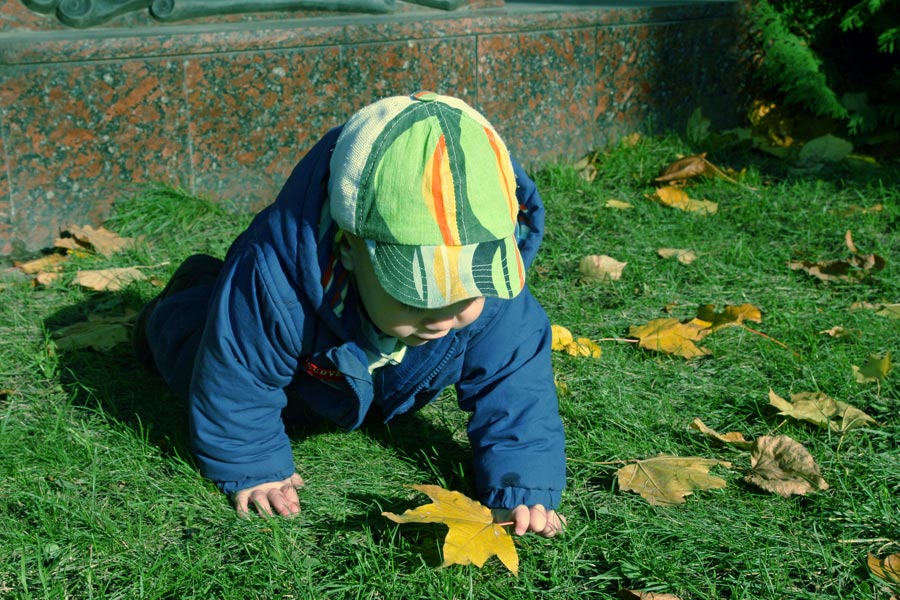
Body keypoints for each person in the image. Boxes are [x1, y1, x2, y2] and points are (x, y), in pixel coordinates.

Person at [133, 91, 566, 537]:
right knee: (197, 361)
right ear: (348, 249)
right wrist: (252, 464)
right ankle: (181, 302)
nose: (441, 319)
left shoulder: (492, 293)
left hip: (373, 372)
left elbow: (515, 383)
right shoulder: (274, 280)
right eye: (416, 296)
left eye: (465, 293)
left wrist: (522, 483)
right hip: (303, 373)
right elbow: (237, 370)